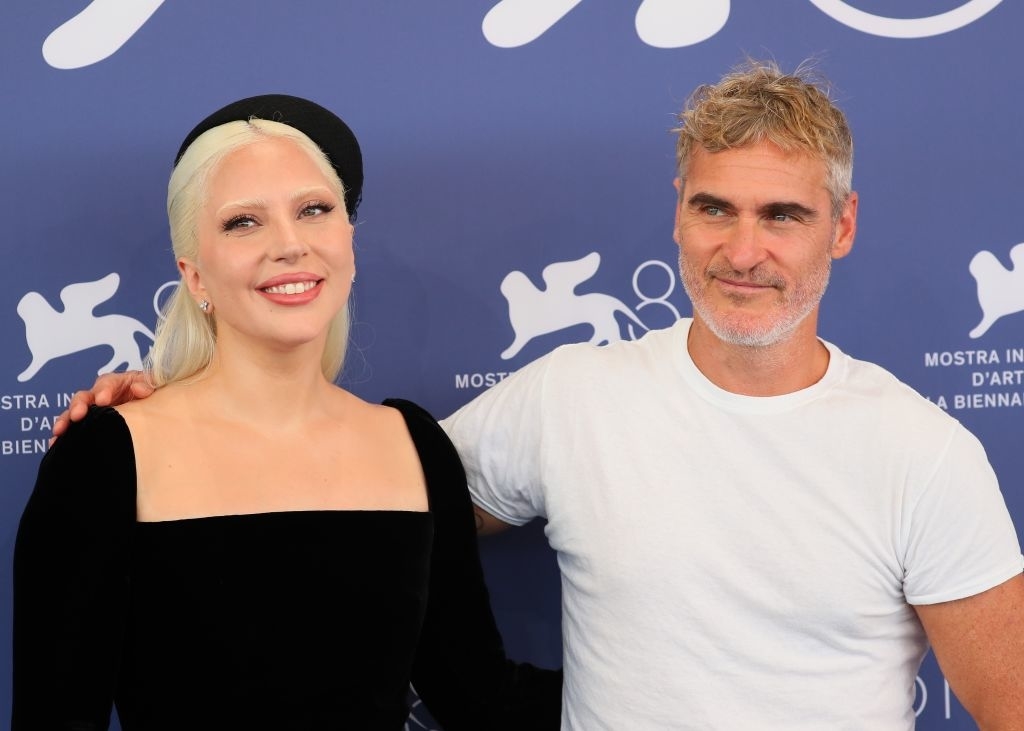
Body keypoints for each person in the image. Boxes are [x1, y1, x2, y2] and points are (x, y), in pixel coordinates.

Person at [55, 62, 1024, 730]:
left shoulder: (918, 449)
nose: (743, 250)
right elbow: (349, 505)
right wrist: (179, 420)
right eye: (713, 208)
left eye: (782, 214)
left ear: (840, 226)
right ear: (677, 213)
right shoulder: (569, 398)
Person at [14, 94, 561, 730]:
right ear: (195, 277)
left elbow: (481, 700)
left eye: (313, 210)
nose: (289, 244)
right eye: (243, 221)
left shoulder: (412, 443)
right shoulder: (107, 456)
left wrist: (688, 680)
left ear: (348, 244)